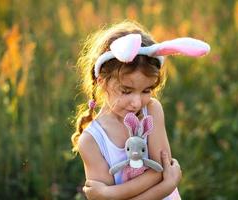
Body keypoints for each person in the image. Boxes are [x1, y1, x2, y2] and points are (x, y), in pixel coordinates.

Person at [71, 20, 210, 200]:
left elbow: (161, 170)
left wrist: (109, 194)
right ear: (101, 81)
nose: (137, 103)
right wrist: (167, 185)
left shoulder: (152, 111)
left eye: (146, 90)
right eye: (126, 91)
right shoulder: (92, 141)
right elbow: (163, 176)